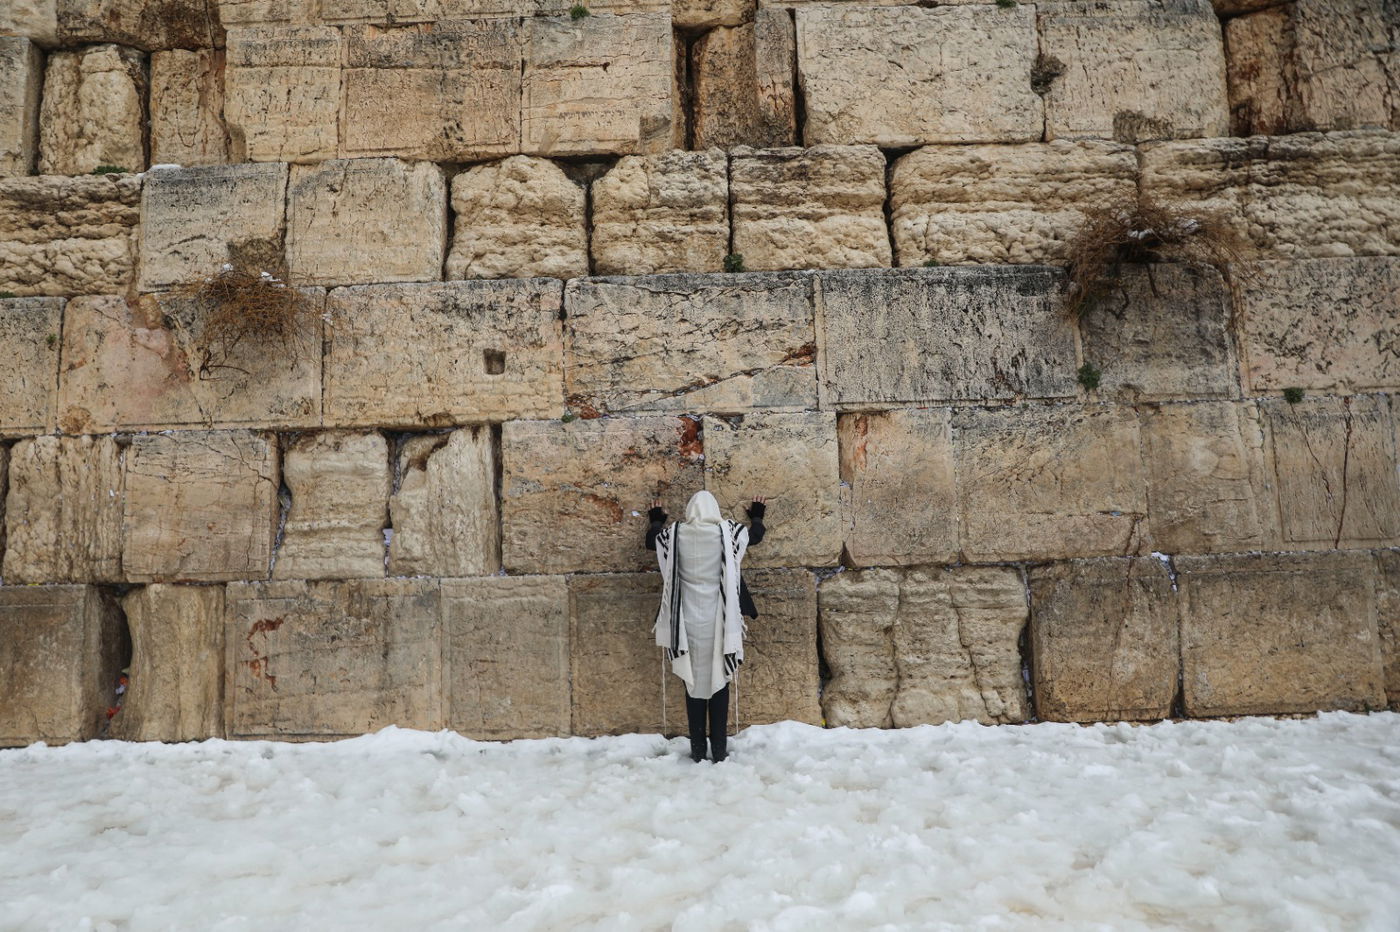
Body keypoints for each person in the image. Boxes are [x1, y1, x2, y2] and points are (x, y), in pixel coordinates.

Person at [646, 491, 766, 763]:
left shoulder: (674, 535)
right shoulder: (729, 533)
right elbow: (755, 535)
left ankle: (698, 751)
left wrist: (656, 521)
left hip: (686, 620)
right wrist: (757, 514)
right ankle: (720, 751)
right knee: (719, 678)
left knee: (693, 681)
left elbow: (651, 542)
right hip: (719, 619)